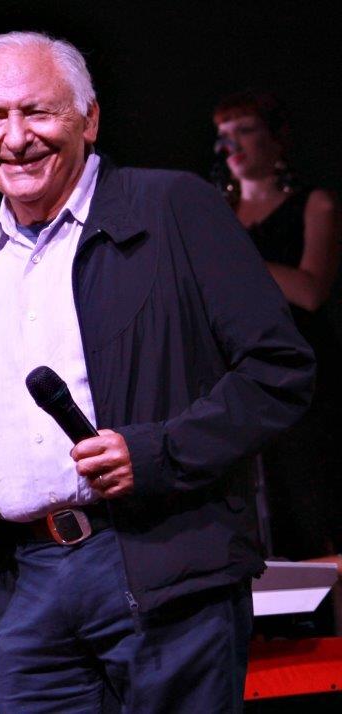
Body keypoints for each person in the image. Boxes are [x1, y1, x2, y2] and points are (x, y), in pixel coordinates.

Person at [0, 32, 315, 712]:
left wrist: (157, 452)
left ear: (90, 118)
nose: (16, 138)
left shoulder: (174, 208)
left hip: (164, 567)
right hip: (27, 591)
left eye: (37, 111)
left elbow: (279, 371)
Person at [213, 92, 342, 563]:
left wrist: (235, 255)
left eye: (244, 130)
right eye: (223, 135)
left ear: (276, 138)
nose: (231, 145)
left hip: (303, 371)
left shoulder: (314, 204)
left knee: (310, 499)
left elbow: (310, 290)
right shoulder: (216, 213)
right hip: (237, 371)